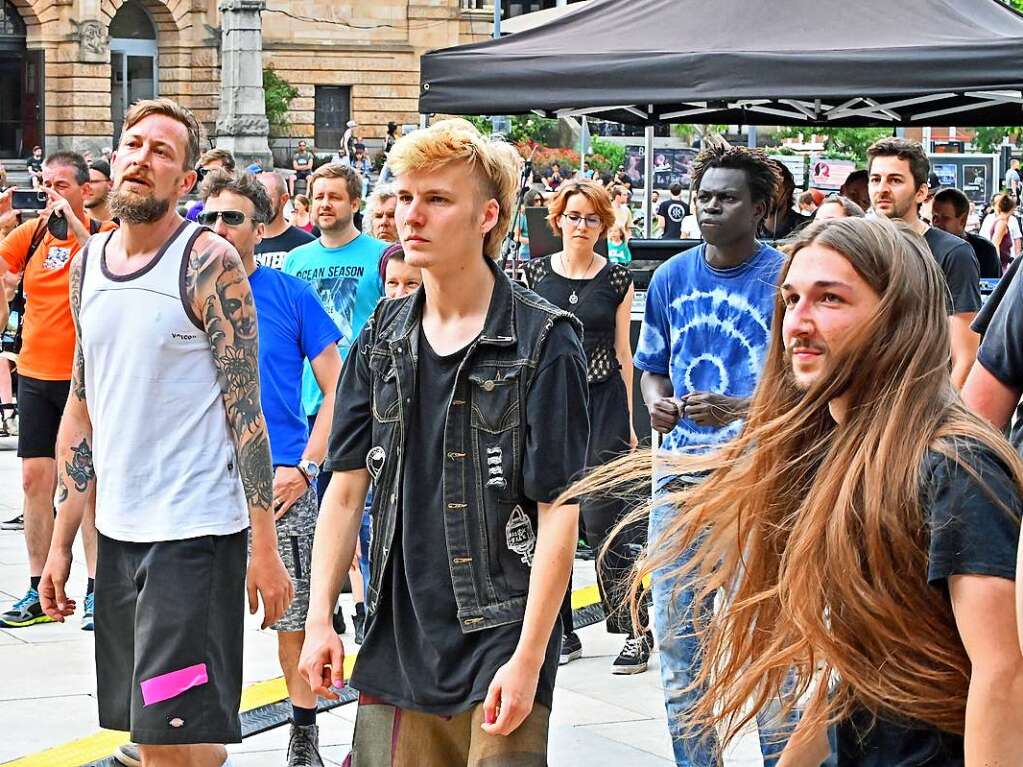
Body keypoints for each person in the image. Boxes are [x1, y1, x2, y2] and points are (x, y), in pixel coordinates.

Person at [581, 216, 1023, 766]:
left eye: (830, 298)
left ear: (898, 317)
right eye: (791, 299)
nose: (797, 322)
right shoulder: (839, 446)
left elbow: (1001, 674)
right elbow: (860, 667)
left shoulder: (953, 464)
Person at [299, 117, 589, 766]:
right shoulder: (382, 332)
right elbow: (344, 489)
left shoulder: (543, 338)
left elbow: (559, 509)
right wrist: (321, 616)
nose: (412, 215)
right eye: (404, 197)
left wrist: (530, 658)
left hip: (500, 624)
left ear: (486, 215)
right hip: (398, 628)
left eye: (436, 199)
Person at [37, 98, 293, 767]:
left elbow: (246, 412)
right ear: (113, 161)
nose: (142, 158)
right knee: (178, 735)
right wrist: (62, 543)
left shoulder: (208, 262)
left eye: (161, 151)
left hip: (195, 540)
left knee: (164, 737)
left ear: (185, 181)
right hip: (119, 540)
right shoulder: (89, 265)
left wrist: (263, 548)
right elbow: (81, 408)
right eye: (132, 143)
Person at [633, 144, 793, 767]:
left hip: (761, 483)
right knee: (678, 644)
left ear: (759, 209)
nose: (709, 207)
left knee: (771, 642)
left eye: (726, 198)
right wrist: (659, 403)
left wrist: (737, 410)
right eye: (703, 196)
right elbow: (652, 367)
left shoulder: (783, 280)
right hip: (678, 483)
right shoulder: (672, 276)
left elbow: (808, 390)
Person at [199, 169, 342, 767]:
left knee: (295, 616)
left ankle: (303, 730)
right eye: (206, 218)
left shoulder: (290, 294)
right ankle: (191, 731)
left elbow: (339, 390)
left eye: (232, 218)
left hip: (282, 483)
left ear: (261, 227)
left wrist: (307, 468)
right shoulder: (183, 294)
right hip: (203, 483)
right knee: (198, 625)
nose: (218, 229)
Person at [522, 179, 648, 674]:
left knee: (605, 519)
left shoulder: (617, 279)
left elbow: (623, 352)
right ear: (558, 221)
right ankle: (562, 629)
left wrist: (634, 422)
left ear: (604, 226)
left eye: (591, 218)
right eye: (573, 216)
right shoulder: (534, 275)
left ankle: (634, 628)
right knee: (552, 514)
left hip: (604, 403)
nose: (581, 226)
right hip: (552, 405)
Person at [0, 151, 115, 630]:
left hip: (82, 380)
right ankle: (36, 585)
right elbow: (6, 280)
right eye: (45, 185)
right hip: (35, 372)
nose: (51, 194)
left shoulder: (105, 239)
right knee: (34, 481)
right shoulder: (30, 236)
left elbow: (107, 274)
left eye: (61, 185)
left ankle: (95, 588)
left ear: (85, 190)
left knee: (82, 484)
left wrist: (76, 224)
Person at [283, 163, 386, 502]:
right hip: (308, 399)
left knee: (358, 505)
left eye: (335, 197)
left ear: (355, 203)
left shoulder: (381, 256)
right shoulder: (296, 260)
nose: (325, 204)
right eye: (318, 197)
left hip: (362, 398)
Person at [867, 138, 981, 390]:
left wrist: (944, 418)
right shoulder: (857, 249)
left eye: (895, 180)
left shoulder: (953, 253)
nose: (882, 189)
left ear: (921, 192)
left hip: (927, 401)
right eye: (876, 179)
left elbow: (965, 355)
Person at [931, 187, 1001, 278]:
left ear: (962, 220)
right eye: (935, 217)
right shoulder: (925, 249)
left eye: (945, 218)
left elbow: (992, 288)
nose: (936, 223)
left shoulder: (985, 250)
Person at [253, 171, 315, 270]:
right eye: (256, 197)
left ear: (284, 199)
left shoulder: (307, 244)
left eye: (266, 197)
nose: (260, 204)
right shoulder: (245, 243)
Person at [760, 160, 808, 240]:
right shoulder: (747, 229)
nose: (765, 192)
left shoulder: (805, 229)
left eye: (773, 186)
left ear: (788, 189)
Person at [185, 147, 236, 223]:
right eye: (204, 172)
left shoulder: (244, 206)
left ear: (231, 172)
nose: (208, 176)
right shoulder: (195, 211)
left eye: (214, 171)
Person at [990, 193, 1022, 272]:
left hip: (1004, 264)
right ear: (1012, 208)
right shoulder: (1002, 223)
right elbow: (995, 244)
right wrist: (997, 267)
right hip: (1001, 267)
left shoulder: (1001, 221)